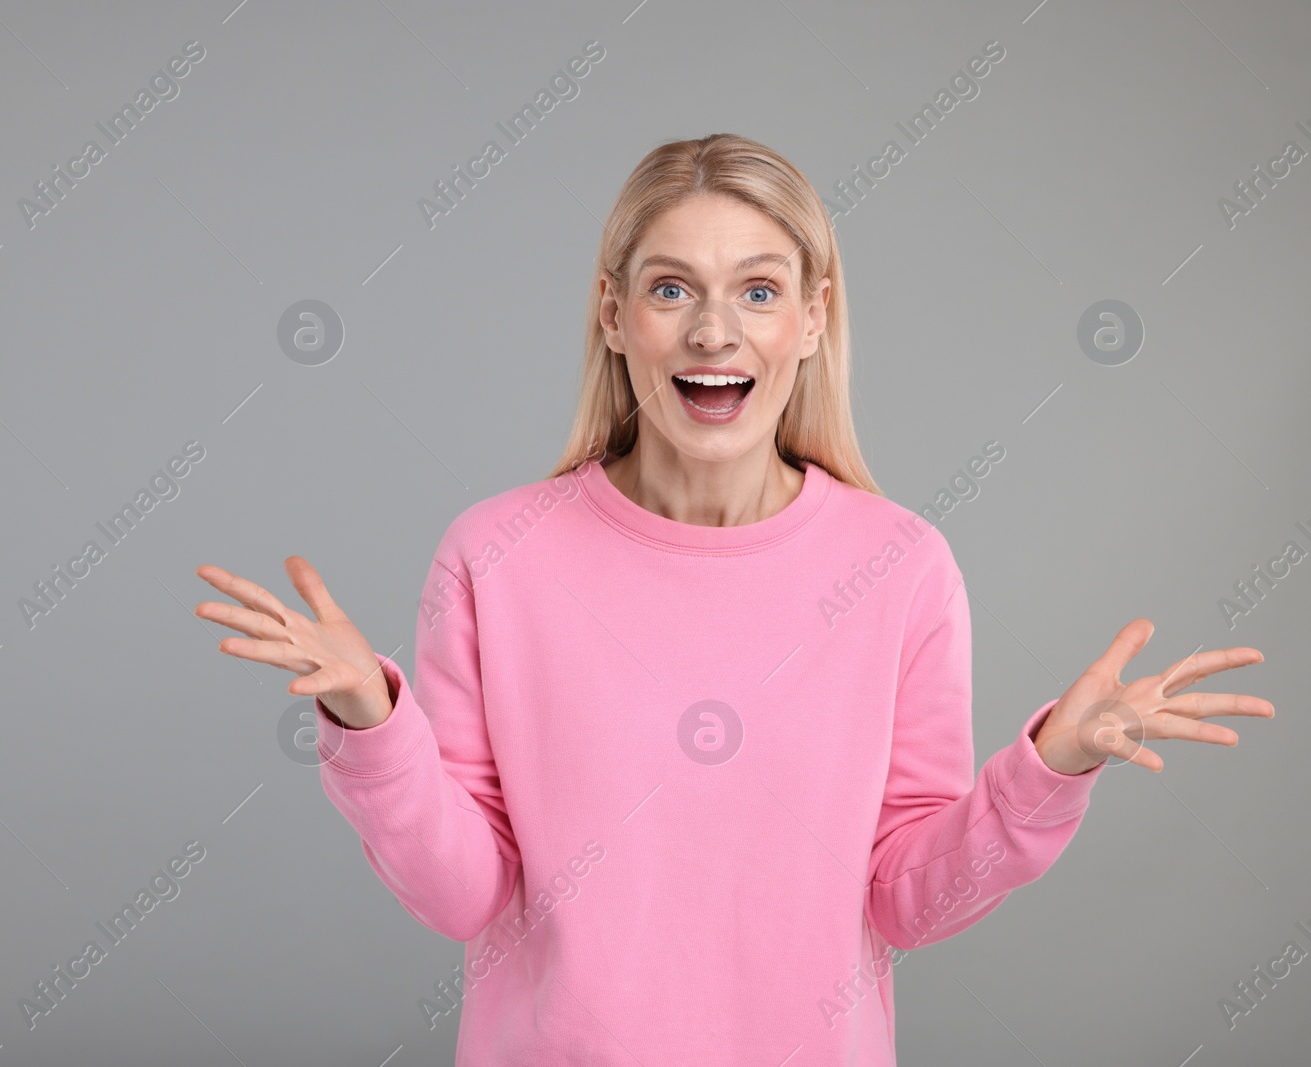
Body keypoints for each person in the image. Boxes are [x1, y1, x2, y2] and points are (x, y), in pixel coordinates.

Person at [193, 133, 1272, 1065]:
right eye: (671, 289)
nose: (714, 330)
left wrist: (1047, 772)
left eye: (757, 289)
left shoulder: (899, 566)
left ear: (810, 318)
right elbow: (463, 894)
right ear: (614, 315)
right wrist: (369, 726)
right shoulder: (495, 554)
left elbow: (905, 898)